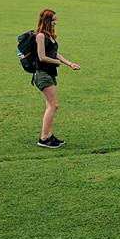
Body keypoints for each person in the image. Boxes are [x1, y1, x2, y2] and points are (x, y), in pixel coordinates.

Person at [33, 9, 80, 148]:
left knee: (50, 105)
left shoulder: (50, 36)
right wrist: (56, 63)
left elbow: (55, 53)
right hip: (42, 74)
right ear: (47, 21)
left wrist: (70, 63)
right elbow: (42, 57)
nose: (55, 22)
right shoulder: (40, 36)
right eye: (53, 20)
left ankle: (48, 135)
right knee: (53, 105)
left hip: (50, 74)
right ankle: (44, 138)